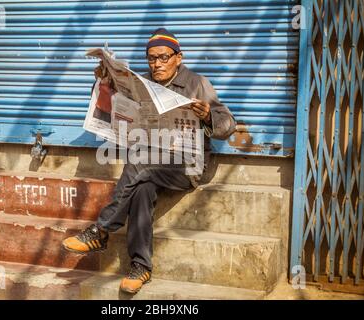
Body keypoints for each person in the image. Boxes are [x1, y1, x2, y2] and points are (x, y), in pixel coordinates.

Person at [62, 28, 236, 294]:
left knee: (140, 162)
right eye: (152, 58)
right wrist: (104, 84)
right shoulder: (142, 83)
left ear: (179, 57)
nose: (157, 64)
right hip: (152, 164)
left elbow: (227, 126)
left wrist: (208, 116)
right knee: (142, 187)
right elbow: (112, 109)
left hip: (187, 164)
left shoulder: (198, 84)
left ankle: (101, 230)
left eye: (164, 58)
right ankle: (140, 267)